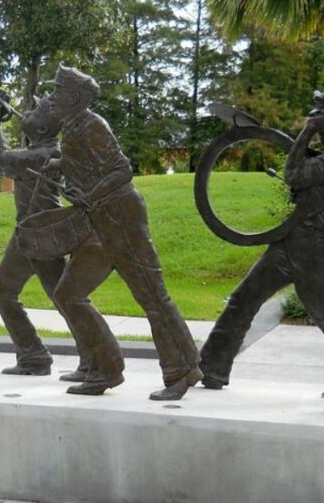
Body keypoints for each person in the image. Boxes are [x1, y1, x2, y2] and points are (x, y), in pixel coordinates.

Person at [197, 92, 324, 394]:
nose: (312, 122)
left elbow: (292, 175)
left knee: (323, 309)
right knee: (246, 298)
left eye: (316, 118)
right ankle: (211, 369)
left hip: (310, 242)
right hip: (303, 239)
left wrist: (305, 135)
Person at [42, 64, 200, 401]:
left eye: (56, 91)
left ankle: (182, 370)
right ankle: (105, 367)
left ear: (73, 96)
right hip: (99, 222)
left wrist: (91, 194)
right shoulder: (73, 127)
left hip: (120, 217)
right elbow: (87, 164)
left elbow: (121, 170)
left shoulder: (93, 126)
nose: (51, 98)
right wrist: (59, 166)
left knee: (151, 296)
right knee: (68, 294)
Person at [0, 94, 89, 377]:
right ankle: (34, 356)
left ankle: (91, 357)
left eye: (35, 112)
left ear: (41, 129)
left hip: (41, 234)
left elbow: (1, 159)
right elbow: (11, 158)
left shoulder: (45, 153)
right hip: (29, 234)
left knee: (64, 298)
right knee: (5, 293)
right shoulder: (42, 148)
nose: (26, 113)